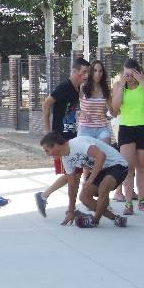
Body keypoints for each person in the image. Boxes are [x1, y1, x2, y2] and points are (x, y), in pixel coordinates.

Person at [34, 57, 91, 217]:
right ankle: (47, 197)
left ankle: (68, 206)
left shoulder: (76, 88)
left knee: (76, 174)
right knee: (71, 174)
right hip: (60, 139)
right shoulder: (65, 87)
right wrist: (48, 132)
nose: (86, 75)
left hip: (72, 137)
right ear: (74, 71)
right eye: (83, 72)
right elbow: (46, 103)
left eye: (88, 72)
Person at [39, 132, 128, 228]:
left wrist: (91, 179)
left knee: (103, 187)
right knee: (84, 197)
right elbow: (72, 185)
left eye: (47, 150)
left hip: (117, 164)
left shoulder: (77, 143)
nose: (47, 154)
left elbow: (101, 156)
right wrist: (71, 210)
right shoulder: (65, 159)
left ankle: (94, 221)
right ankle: (116, 219)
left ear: (55, 146)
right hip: (101, 169)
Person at [111, 58, 144, 214]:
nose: (129, 77)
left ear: (138, 72)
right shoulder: (118, 86)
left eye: (132, 74)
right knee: (128, 167)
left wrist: (142, 81)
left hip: (143, 127)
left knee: (141, 167)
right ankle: (128, 203)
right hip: (126, 128)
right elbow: (115, 109)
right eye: (126, 74)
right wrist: (122, 86)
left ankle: (142, 199)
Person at [78, 60, 114, 143]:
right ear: (91, 72)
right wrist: (81, 112)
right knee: (87, 154)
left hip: (102, 128)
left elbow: (112, 111)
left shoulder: (105, 89)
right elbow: (73, 106)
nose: (98, 74)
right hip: (85, 127)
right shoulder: (83, 87)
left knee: (104, 152)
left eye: (100, 71)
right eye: (95, 70)